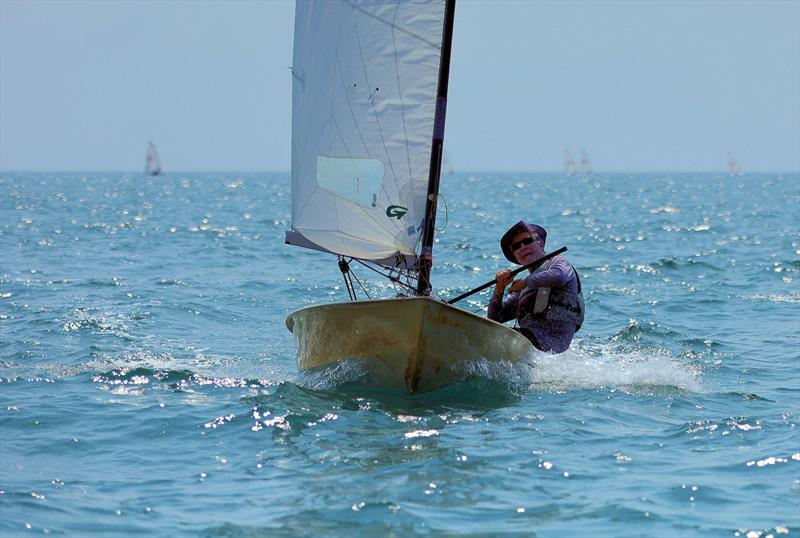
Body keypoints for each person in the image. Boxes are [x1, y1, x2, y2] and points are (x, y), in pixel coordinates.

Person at [487, 221, 584, 353]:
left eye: (527, 241)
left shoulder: (558, 262)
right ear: (516, 257)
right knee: (493, 333)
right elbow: (495, 319)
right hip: (527, 343)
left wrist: (525, 282)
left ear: (541, 243)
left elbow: (559, 276)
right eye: (516, 246)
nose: (522, 247)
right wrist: (499, 289)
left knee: (502, 337)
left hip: (549, 348)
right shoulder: (522, 288)